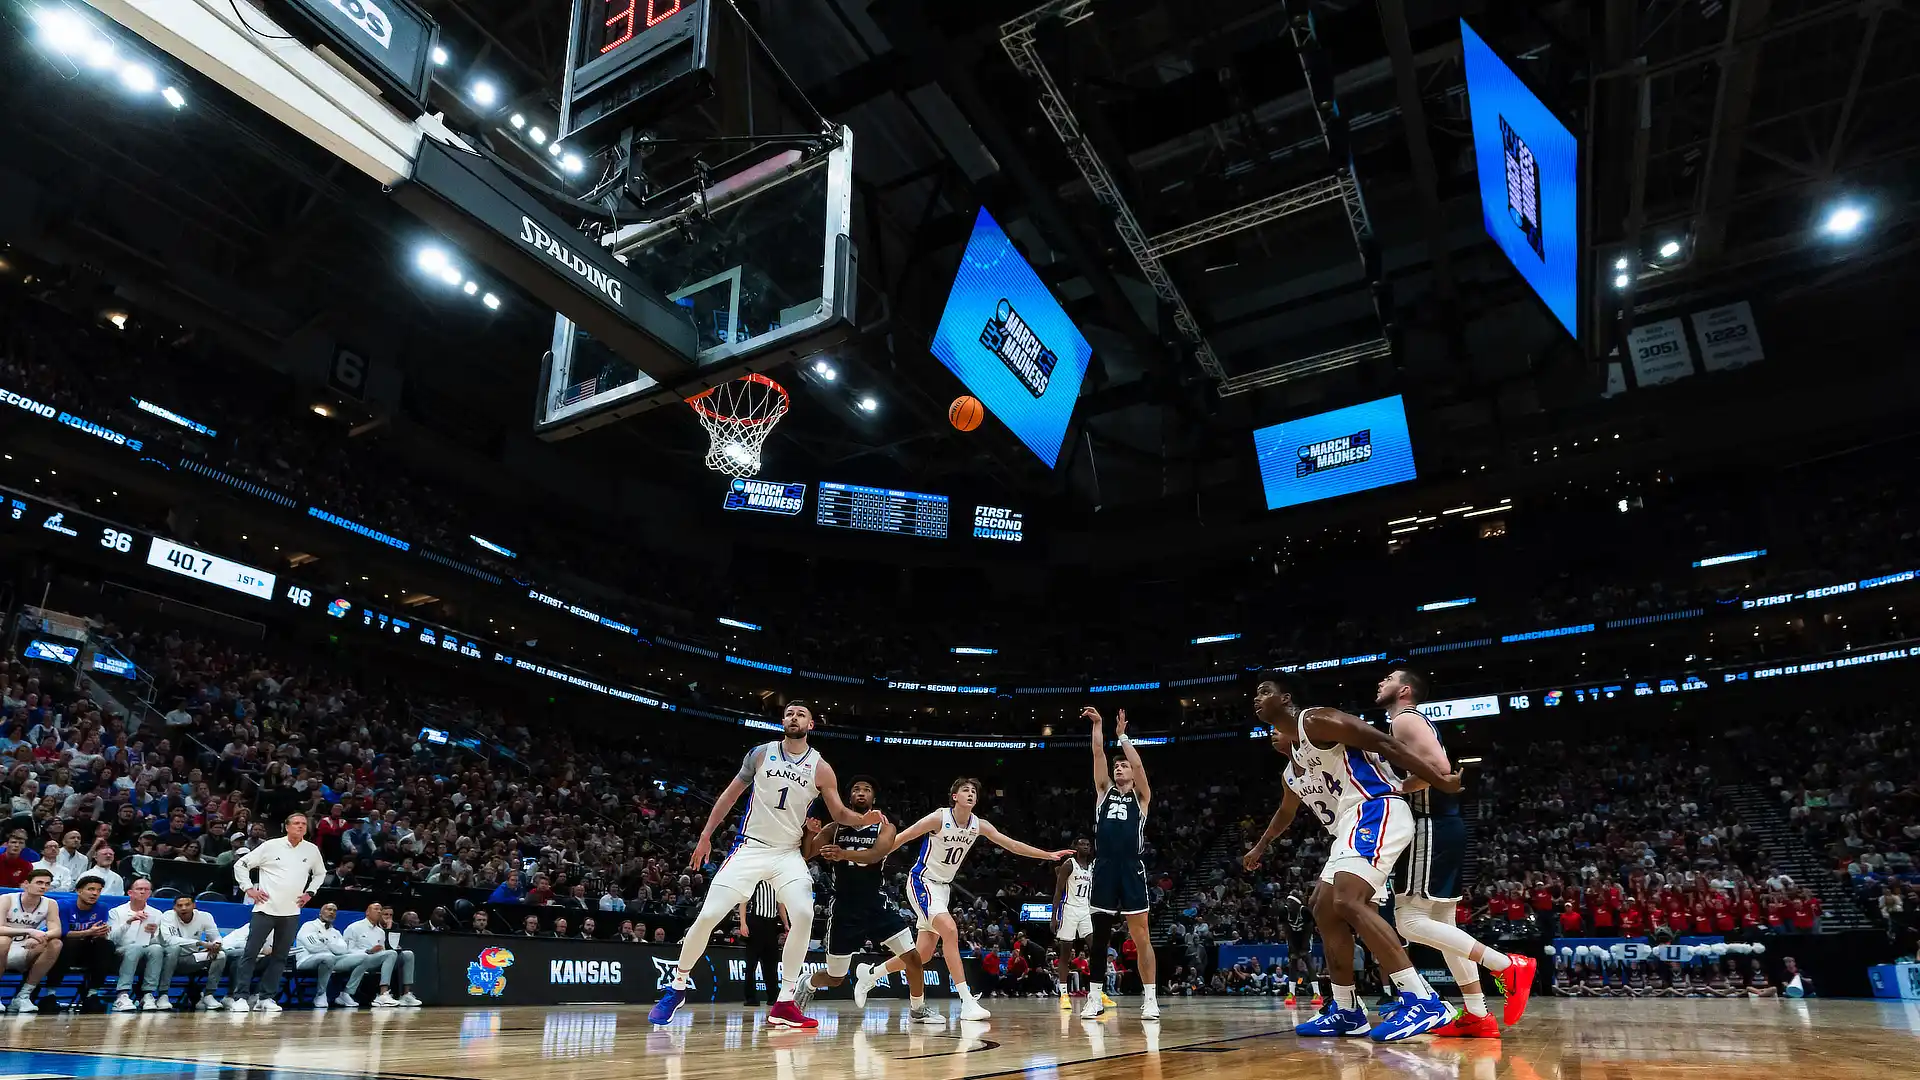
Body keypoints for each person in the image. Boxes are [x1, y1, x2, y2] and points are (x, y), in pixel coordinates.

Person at [1248, 672, 1462, 1042]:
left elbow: (1383, 742)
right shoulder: (1294, 761)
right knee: (1324, 907)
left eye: (1265, 691)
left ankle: (1424, 999)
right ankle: (1347, 1010)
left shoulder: (1317, 719)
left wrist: (1441, 781)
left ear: (1286, 700)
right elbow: (1285, 813)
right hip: (1350, 826)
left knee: (1348, 900)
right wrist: (1260, 846)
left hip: (1376, 809)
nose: (1256, 698)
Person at [649, 702, 885, 1029]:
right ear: (783, 721)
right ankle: (676, 987)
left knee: (803, 913)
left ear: (811, 725)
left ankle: (785, 1002)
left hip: (788, 854)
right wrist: (705, 836)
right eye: (789, 713)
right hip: (751, 848)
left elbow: (840, 813)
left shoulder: (821, 768)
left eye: (801, 714)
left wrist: (863, 819)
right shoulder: (761, 753)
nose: (794, 718)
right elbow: (730, 796)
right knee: (707, 917)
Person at [1373, 670, 1536, 1037]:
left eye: (1388, 679)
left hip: (1430, 824)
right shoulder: (1411, 722)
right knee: (1445, 927)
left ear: (1404, 689)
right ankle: (1478, 1014)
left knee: (1408, 922)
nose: (1379, 683)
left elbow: (1441, 770)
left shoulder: (1404, 720)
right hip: (1443, 824)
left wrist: (1395, 789)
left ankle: (1506, 964)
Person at [851, 776, 1073, 1022]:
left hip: (942, 889)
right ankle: (967, 1001)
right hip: (921, 882)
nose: (970, 794)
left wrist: (1048, 855)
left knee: (922, 955)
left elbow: (1012, 845)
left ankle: (870, 974)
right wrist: (871, 858)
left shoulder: (979, 825)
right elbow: (903, 837)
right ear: (954, 796)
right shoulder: (939, 818)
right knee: (950, 929)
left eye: (973, 792)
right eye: (965, 790)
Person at [793, 775, 933, 1023]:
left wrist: (841, 853)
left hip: (875, 904)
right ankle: (809, 982)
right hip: (845, 907)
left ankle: (918, 1009)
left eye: (866, 790)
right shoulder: (834, 828)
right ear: (849, 797)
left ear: (873, 798)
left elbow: (877, 854)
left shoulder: (885, 827)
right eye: (856, 789)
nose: (861, 793)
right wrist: (808, 832)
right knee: (835, 978)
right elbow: (806, 854)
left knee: (913, 957)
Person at [1078, 707, 1160, 1020]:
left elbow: (1138, 764)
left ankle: (1150, 998)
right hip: (1104, 867)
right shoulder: (1103, 792)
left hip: (1131, 867)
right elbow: (1097, 753)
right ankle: (1094, 997)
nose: (1121, 769)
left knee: (1141, 936)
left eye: (1124, 766)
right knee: (1099, 938)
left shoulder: (1141, 797)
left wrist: (1123, 737)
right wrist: (1098, 724)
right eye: (1118, 767)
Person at [228, 812, 327, 1013]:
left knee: (280, 957)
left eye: (303, 824)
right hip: (265, 909)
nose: (300, 826)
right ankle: (240, 997)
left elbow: (320, 873)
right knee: (250, 953)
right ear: (287, 826)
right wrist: (249, 888)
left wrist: (310, 892)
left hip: (291, 912)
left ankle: (266, 997)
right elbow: (241, 865)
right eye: (296, 823)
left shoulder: (312, 849)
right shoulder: (271, 846)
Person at [0, 867, 64, 1011]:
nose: (43, 886)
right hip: (4, 948)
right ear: (26, 884)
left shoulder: (50, 903)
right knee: (3, 940)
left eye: (47, 884)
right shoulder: (6, 899)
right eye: (39, 882)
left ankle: (23, 996)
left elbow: (57, 930)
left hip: (26, 950)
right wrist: (30, 931)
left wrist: (43, 936)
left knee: (55, 943)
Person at [1051, 837, 1102, 1011]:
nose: (1086, 847)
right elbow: (1058, 891)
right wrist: (1054, 916)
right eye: (1082, 844)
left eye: (1088, 845)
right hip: (1070, 910)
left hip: (1085, 910)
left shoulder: (1093, 867)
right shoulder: (1069, 864)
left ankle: (1097, 992)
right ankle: (1064, 994)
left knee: (1096, 950)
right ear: (1075, 847)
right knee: (1065, 953)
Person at [52, 873, 117, 1008]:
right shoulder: (63, 905)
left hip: (87, 951)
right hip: (63, 951)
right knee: (69, 942)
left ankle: (92, 993)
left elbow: (98, 934)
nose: (95, 893)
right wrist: (88, 932)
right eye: (91, 889)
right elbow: (61, 933)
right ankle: (50, 993)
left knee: (106, 945)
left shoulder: (102, 907)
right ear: (79, 891)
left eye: (99, 890)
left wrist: (102, 933)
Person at [343, 902, 421, 1006]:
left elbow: (383, 952)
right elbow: (347, 950)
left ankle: (406, 994)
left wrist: (394, 950)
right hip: (362, 959)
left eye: (380, 910)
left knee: (408, 954)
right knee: (390, 954)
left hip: (378, 959)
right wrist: (368, 951)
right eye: (376, 909)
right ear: (367, 912)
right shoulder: (354, 927)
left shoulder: (381, 932)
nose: (379, 911)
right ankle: (383, 994)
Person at [294, 902, 371, 1008]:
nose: (332, 912)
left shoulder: (335, 932)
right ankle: (321, 994)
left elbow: (343, 950)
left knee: (364, 957)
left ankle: (346, 993)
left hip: (331, 960)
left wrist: (325, 941)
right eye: (329, 909)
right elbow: (314, 947)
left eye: (334, 911)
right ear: (320, 913)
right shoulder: (308, 926)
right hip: (306, 960)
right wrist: (332, 945)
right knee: (328, 957)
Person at [153, 895, 224, 1009]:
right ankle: (163, 995)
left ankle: (208, 995)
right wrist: (200, 943)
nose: (184, 908)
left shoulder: (205, 916)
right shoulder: (168, 916)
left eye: (187, 905)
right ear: (174, 908)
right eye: (179, 906)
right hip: (168, 959)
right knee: (174, 949)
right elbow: (170, 940)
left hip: (191, 958)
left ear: (194, 906)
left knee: (220, 955)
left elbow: (216, 937)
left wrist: (216, 944)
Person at [107, 877, 164, 1011]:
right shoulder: (116, 912)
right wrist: (128, 922)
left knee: (157, 948)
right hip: (120, 951)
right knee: (135, 947)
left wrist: (154, 934)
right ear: (130, 893)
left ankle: (148, 994)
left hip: (146, 950)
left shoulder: (157, 913)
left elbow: (160, 942)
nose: (143, 892)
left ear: (150, 894)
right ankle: (122, 994)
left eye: (146, 890)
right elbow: (111, 939)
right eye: (139, 889)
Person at [736, 880, 785, 1007]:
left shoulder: (776, 884)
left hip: (771, 924)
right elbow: (743, 902)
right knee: (751, 963)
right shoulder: (756, 882)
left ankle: (773, 997)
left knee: (771, 964)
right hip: (756, 923)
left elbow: (780, 906)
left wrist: (786, 924)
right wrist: (743, 923)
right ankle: (750, 998)